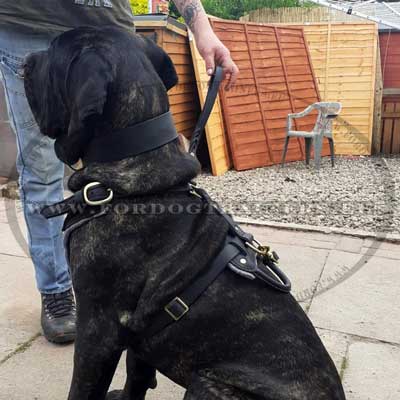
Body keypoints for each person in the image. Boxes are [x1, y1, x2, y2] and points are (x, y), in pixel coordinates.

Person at [0, 1, 239, 344]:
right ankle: (56, 291)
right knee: (41, 172)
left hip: (112, 32)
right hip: (31, 27)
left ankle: (140, 284)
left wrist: (204, 31)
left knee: (135, 166)